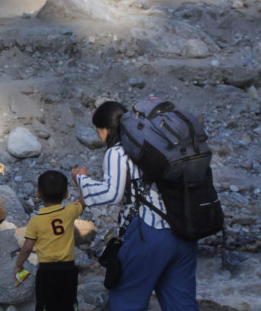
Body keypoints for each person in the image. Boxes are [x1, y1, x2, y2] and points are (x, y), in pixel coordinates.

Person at [71, 102, 198, 311]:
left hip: (148, 234)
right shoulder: (156, 145)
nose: (100, 137)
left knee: (126, 299)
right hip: (184, 230)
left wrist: (82, 180)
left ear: (106, 129)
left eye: (98, 131)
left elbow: (112, 193)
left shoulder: (118, 151)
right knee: (181, 303)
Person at [13, 170, 84, 311]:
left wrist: (18, 265)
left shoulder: (36, 221)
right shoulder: (70, 212)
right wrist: (79, 181)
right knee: (67, 303)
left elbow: (27, 247)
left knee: (45, 304)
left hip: (47, 271)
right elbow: (84, 200)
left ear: (38, 193)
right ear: (66, 194)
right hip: (68, 269)